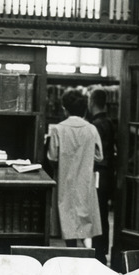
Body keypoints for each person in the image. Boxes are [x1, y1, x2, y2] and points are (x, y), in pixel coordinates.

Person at [46, 88, 103, 248]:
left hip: (65, 182)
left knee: (68, 221)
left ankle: (71, 250)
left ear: (65, 109)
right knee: (85, 222)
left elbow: (52, 157)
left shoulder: (58, 129)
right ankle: (87, 253)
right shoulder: (91, 129)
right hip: (85, 182)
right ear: (85, 108)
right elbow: (99, 156)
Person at [88, 87, 116, 265]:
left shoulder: (95, 125)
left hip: (98, 172)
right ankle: (102, 251)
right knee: (103, 214)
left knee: (96, 214)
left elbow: (96, 152)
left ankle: (97, 253)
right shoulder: (111, 122)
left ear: (91, 103)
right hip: (108, 174)